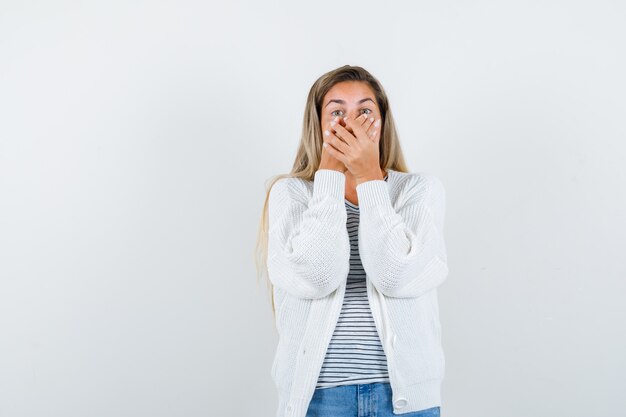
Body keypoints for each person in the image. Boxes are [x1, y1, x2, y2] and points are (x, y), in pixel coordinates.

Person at [255, 65, 448, 417]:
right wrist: (328, 175)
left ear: (382, 123)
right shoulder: (291, 194)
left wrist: (369, 177)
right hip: (319, 400)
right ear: (318, 124)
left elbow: (395, 276)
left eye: (364, 111)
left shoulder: (418, 192)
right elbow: (316, 278)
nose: (351, 123)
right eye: (337, 112)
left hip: (404, 402)